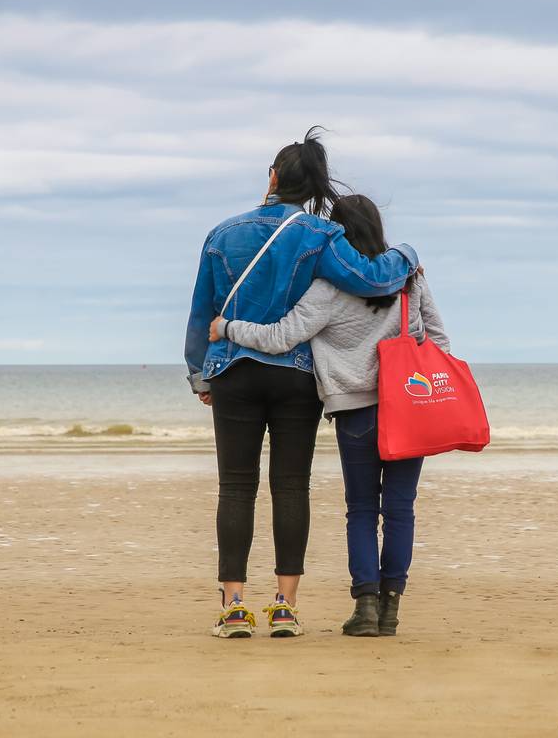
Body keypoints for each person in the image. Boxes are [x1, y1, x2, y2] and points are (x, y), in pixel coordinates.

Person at [184, 130, 418, 639]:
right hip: (293, 374)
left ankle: (233, 606)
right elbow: (372, 280)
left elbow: (202, 308)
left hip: (232, 369)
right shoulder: (320, 235)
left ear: (272, 177)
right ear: (313, 186)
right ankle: (285, 606)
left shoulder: (222, 233)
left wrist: (201, 371)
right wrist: (407, 254)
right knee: (290, 486)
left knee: (236, 487)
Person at [210, 194, 448, 637]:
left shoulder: (328, 288)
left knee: (360, 509)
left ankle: (366, 608)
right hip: (409, 408)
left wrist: (227, 328)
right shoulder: (409, 279)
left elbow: (282, 337)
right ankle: (392, 604)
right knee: (400, 508)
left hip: (356, 409)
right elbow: (439, 339)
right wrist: (416, 379)